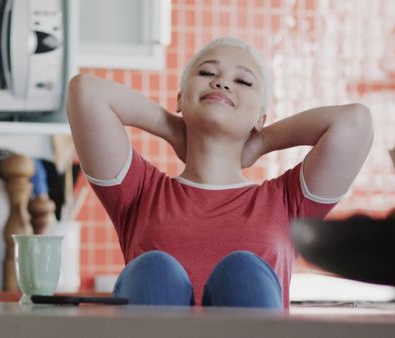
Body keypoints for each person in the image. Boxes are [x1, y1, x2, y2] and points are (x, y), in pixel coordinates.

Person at [66, 37, 373, 309]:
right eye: (207, 73)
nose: (222, 83)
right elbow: (85, 92)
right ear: (180, 99)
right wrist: (173, 128)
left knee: (242, 271)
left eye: (243, 81)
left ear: (260, 117)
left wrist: (262, 141)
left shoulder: (285, 200)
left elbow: (355, 122)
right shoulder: (141, 191)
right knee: (155, 269)